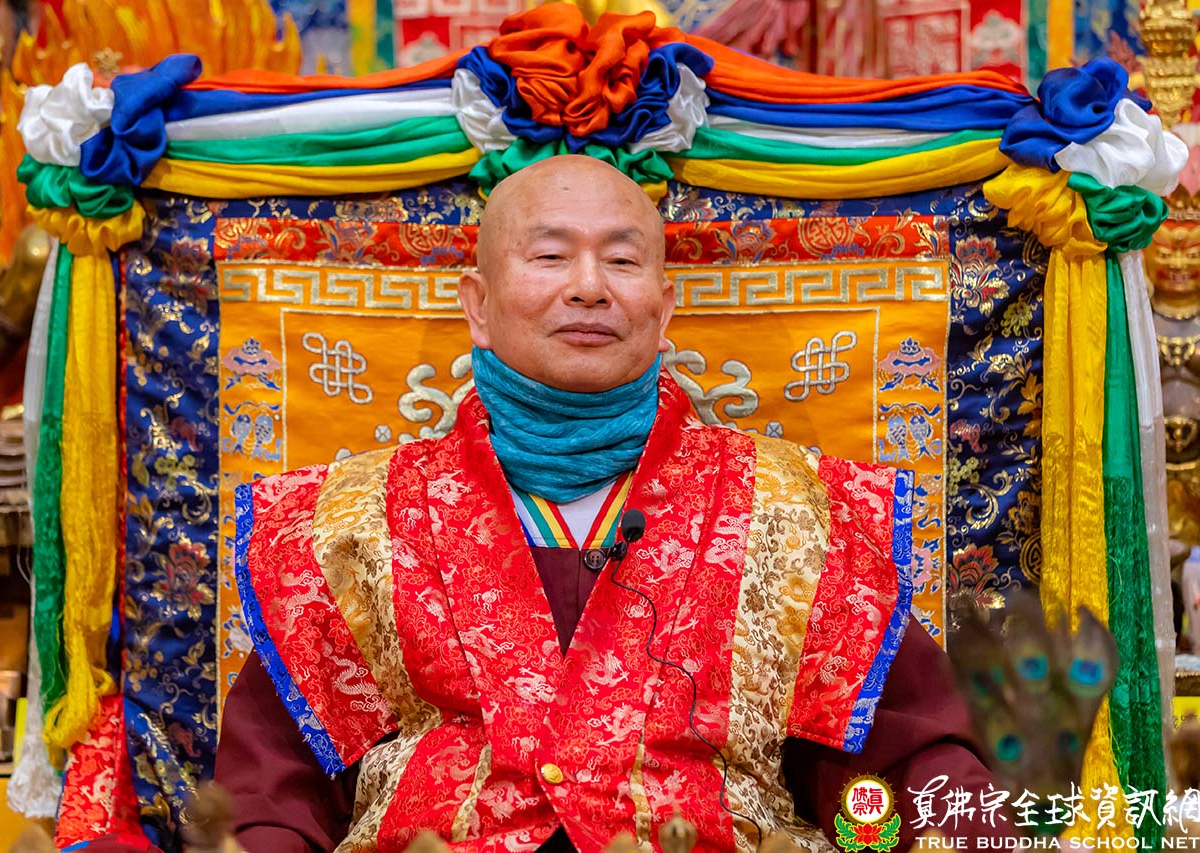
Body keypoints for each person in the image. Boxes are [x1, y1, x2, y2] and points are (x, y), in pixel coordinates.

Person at [88, 155, 1013, 852]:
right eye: (550, 255)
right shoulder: (354, 521)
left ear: (664, 307)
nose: (588, 287)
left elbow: (904, 759)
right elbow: (276, 785)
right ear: (478, 304)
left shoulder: (792, 509)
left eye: (622, 259)